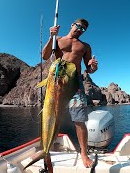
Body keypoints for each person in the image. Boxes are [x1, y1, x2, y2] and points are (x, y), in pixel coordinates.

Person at [42, 18, 98, 168]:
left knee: (79, 120)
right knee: (52, 116)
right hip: (57, 82)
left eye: (83, 29)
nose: (80, 29)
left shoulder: (85, 46)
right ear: (72, 24)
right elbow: (45, 56)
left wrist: (93, 67)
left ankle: (84, 154)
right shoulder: (58, 39)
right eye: (78, 26)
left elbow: (89, 69)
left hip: (75, 84)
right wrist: (51, 37)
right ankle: (46, 151)